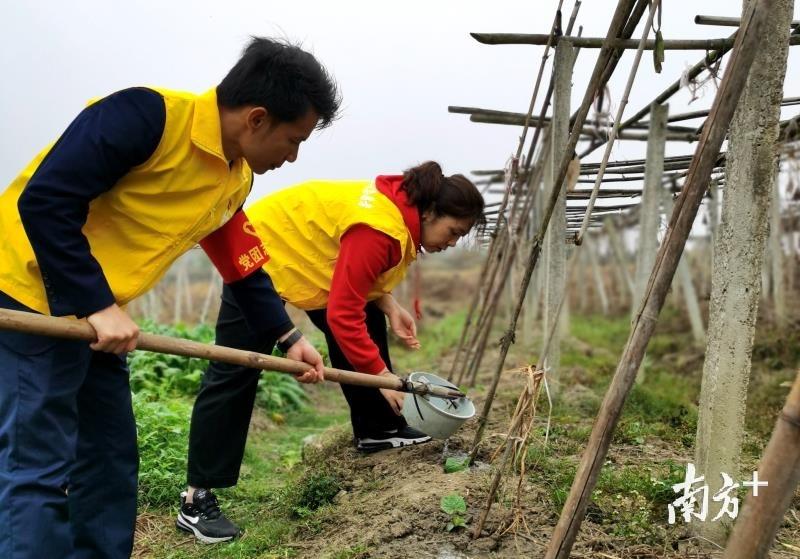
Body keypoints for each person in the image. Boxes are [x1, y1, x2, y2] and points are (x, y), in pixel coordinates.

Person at [0, 37, 340, 559]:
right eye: (294, 140)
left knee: (109, 458)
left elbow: (241, 264)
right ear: (256, 118)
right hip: (26, 297)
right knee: (38, 465)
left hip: (94, 319)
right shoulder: (146, 117)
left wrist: (288, 337)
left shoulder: (235, 175)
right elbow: (45, 200)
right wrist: (96, 303)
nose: (293, 157)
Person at [179, 161, 485, 543]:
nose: (452, 242)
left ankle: (378, 429)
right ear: (429, 212)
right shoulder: (380, 227)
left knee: (368, 315)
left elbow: (355, 279)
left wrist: (389, 305)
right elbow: (343, 315)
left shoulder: (394, 214)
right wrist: (381, 377)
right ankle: (195, 499)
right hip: (261, 251)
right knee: (235, 368)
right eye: (453, 231)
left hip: (308, 261)